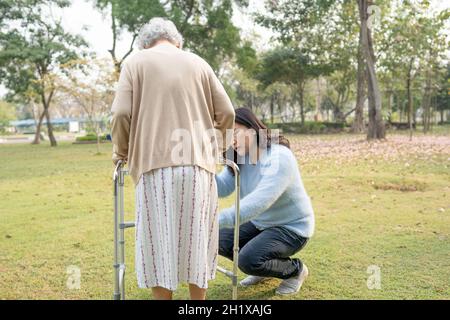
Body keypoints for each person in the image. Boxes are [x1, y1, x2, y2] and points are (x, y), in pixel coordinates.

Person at [110, 17, 235, 300]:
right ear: (177, 41)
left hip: (154, 168)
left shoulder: (135, 62)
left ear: (145, 42)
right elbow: (227, 112)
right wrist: (216, 147)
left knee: (158, 242)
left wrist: (121, 153)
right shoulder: (199, 63)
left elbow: (120, 114)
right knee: (196, 239)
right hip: (198, 166)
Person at [216, 107, 315, 295]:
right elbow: (222, 187)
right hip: (260, 223)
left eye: (235, 132)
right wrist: (197, 174)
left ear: (252, 130)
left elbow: (259, 202)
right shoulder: (239, 157)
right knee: (217, 240)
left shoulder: (279, 157)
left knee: (247, 259)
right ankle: (263, 268)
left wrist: (214, 219)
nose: (232, 140)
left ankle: (296, 271)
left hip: (292, 228)